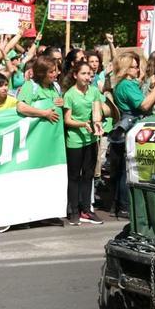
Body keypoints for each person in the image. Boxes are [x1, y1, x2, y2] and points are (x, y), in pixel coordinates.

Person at [106, 52, 155, 218]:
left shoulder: (124, 84)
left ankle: (120, 204)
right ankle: (124, 206)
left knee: (123, 169)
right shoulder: (126, 85)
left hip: (126, 127)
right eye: (134, 67)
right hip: (130, 126)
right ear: (126, 68)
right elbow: (143, 105)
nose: (137, 70)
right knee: (127, 170)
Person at [62, 60, 106, 226]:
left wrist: (97, 123)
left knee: (88, 175)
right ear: (75, 75)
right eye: (84, 73)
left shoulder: (94, 91)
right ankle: (74, 210)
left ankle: (86, 210)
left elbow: (96, 112)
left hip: (91, 138)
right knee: (74, 176)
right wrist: (82, 124)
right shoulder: (69, 95)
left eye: (89, 74)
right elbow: (68, 120)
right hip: (74, 140)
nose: (88, 77)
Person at [17, 56, 64, 124]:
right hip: (37, 132)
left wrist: (62, 103)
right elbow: (21, 108)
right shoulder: (30, 85)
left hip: (55, 132)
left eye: (55, 70)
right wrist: (45, 113)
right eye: (51, 72)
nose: (54, 74)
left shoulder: (56, 86)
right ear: (42, 74)